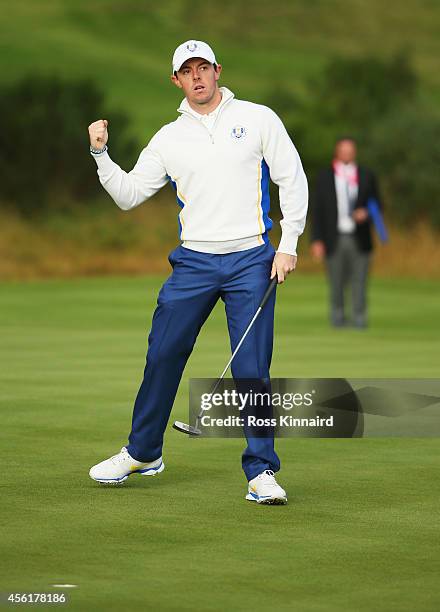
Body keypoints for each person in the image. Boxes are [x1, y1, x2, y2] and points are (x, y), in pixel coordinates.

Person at [87, 40, 308, 504]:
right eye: (187, 71)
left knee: (252, 368)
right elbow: (129, 195)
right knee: (163, 353)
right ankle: (143, 451)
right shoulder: (168, 138)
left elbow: (292, 176)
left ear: (217, 70)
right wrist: (101, 156)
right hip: (194, 261)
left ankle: (261, 472)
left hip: (252, 258)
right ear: (177, 81)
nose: (197, 77)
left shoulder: (258, 117)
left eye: (203, 67)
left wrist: (287, 245)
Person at [310, 137, 382, 328]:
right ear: (337, 151)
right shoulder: (325, 176)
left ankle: (359, 319)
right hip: (334, 237)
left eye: (350, 150)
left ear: (355, 152)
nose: (347, 153)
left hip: (360, 236)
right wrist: (316, 239)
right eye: (344, 150)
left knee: (359, 280)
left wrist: (366, 213)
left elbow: (377, 204)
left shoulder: (366, 175)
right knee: (336, 281)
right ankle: (338, 318)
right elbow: (317, 210)